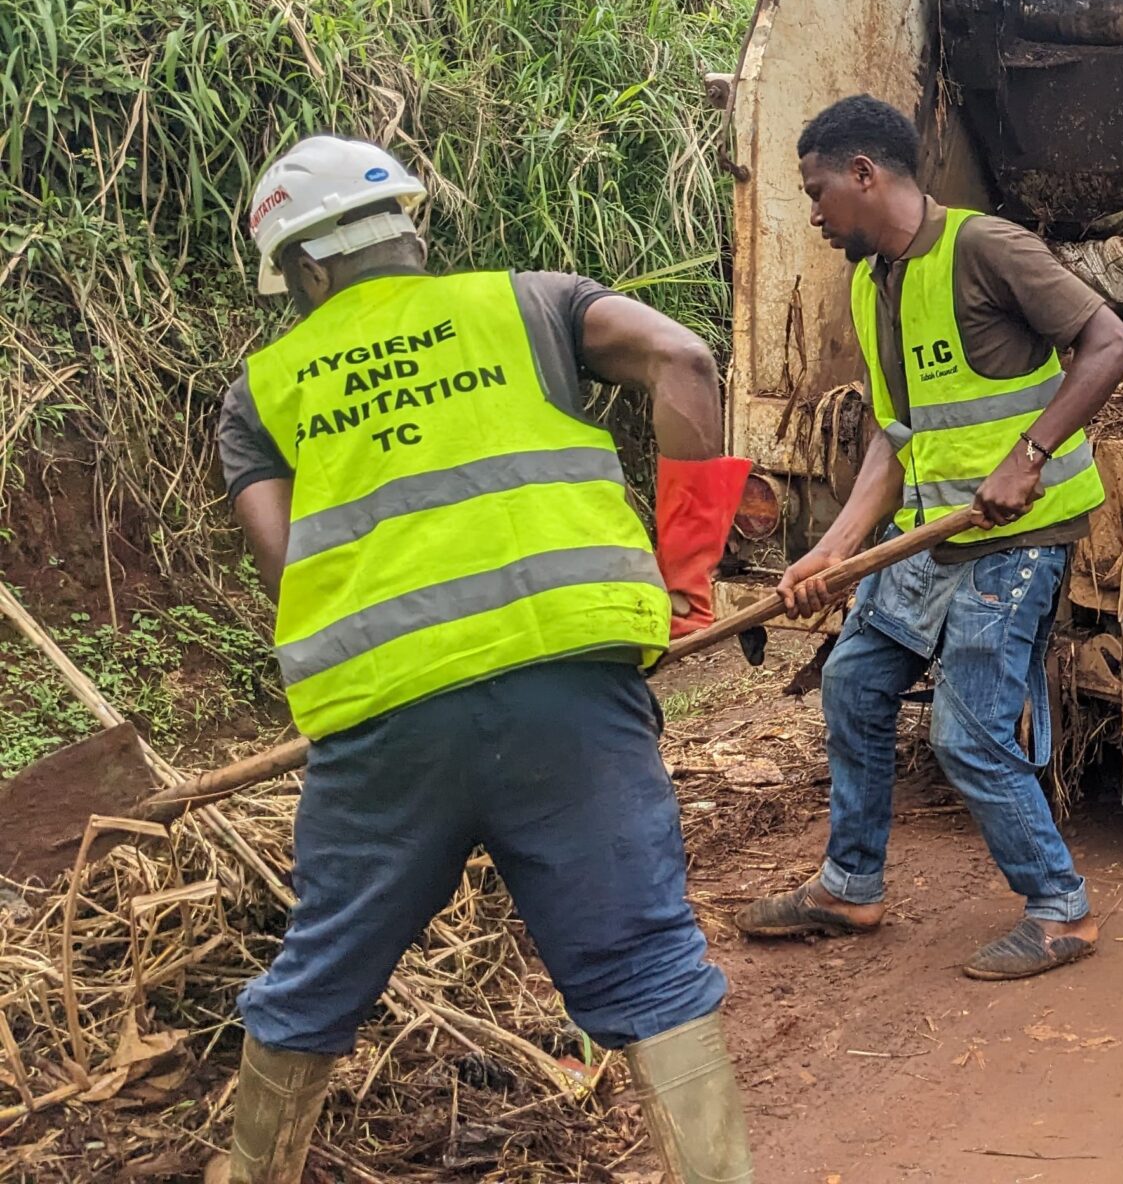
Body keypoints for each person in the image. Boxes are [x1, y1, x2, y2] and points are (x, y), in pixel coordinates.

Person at [214, 136, 756, 1183]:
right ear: (410, 233)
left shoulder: (262, 392)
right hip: (571, 694)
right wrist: (683, 572)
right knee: (647, 963)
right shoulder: (535, 303)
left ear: (306, 270)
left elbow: (292, 567)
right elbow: (685, 359)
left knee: (315, 978)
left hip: (386, 725)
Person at [740, 95, 1123, 981]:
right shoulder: (870, 277)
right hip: (931, 539)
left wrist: (1029, 455)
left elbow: (1110, 342)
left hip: (1016, 538)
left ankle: (1060, 911)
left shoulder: (987, 248)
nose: (812, 212)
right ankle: (850, 887)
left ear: (864, 174)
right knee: (850, 682)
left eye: (816, 191)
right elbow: (897, 435)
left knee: (967, 731)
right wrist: (834, 550)